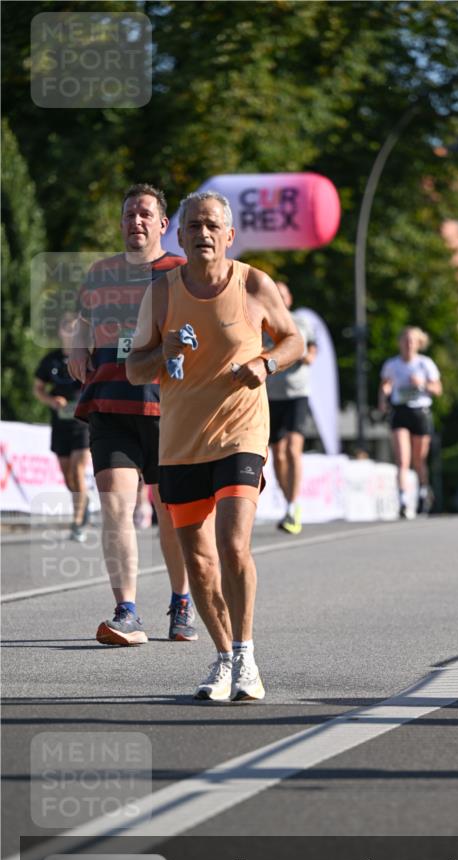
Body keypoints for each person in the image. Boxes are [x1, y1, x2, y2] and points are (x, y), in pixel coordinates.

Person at [127, 191, 303, 702]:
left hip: (241, 434)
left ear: (228, 236)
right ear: (178, 237)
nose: (202, 234)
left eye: (212, 226)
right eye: (193, 226)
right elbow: (136, 367)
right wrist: (165, 350)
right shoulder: (160, 294)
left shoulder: (253, 283)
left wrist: (266, 364)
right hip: (181, 442)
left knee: (232, 542)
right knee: (200, 565)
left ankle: (246, 655)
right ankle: (224, 656)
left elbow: (294, 340)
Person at [68, 183, 198, 645]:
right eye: (128, 215)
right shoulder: (100, 273)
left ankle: (182, 601)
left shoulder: (182, 272)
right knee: (116, 508)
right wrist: (75, 347)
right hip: (110, 406)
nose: (135, 222)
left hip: (168, 410)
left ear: (163, 224)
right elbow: (75, 321)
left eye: (144, 214)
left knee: (170, 512)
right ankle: (126, 610)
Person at [262, 282, 317, 534]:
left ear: (290, 298)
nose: (279, 299)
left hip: (297, 393)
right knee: (278, 454)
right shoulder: (263, 322)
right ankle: (288, 504)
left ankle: (293, 505)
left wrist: (302, 354)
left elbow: (312, 351)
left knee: (293, 449)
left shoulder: (301, 322)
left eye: (283, 295)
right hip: (273, 395)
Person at [33, 311, 91, 541]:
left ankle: (77, 522)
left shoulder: (86, 356)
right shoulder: (51, 360)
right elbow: (37, 388)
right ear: (60, 331)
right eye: (67, 326)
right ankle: (83, 502)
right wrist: (51, 400)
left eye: (74, 327)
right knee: (68, 476)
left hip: (82, 423)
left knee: (78, 470)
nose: (70, 331)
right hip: (60, 424)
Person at [379, 327, 442, 517]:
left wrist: (422, 384)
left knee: (419, 460)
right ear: (400, 343)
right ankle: (403, 500)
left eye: (412, 340)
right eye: (405, 340)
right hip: (400, 411)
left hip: (420, 412)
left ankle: (423, 492)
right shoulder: (392, 364)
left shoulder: (425, 364)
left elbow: (438, 389)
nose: (408, 344)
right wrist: (383, 398)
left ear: (418, 343)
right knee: (402, 459)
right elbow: (384, 386)